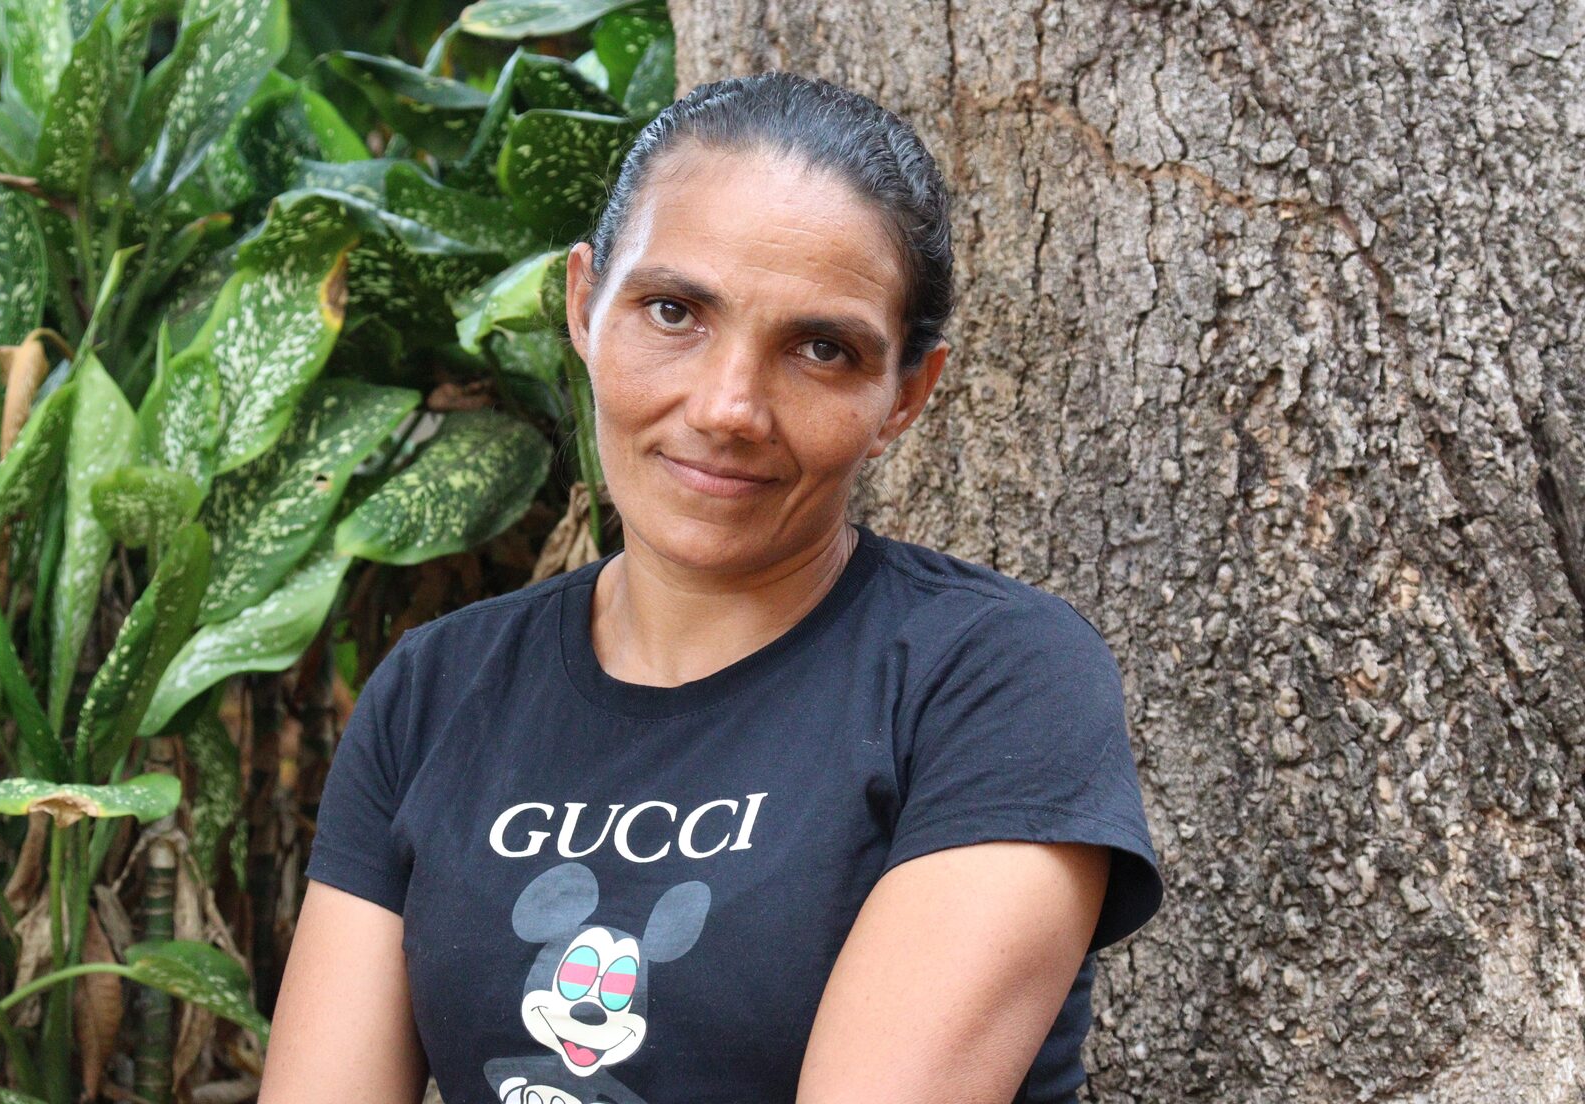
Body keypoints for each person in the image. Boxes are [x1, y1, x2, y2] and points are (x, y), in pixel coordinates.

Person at [260, 71, 1164, 1104]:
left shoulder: (992, 682)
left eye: (820, 349)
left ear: (905, 395)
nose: (729, 407)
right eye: (674, 311)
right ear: (585, 306)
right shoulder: (438, 689)